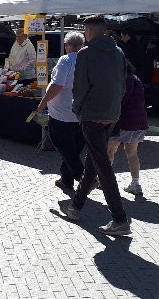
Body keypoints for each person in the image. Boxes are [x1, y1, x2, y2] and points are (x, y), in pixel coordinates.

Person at [59, 15, 131, 236]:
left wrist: (77, 109)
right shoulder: (118, 52)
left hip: (92, 114)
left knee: (102, 166)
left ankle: (119, 218)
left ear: (89, 31)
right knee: (94, 159)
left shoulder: (86, 54)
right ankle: (76, 206)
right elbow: (122, 85)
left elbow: (80, 88)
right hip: (112, 113)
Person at [37, 32, 86, 193]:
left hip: (63, 112)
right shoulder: (88, 60)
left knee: (63, 145)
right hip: (82, 112)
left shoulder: (66, 60)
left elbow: (56, 86)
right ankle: (66, 180)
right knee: (74, 147)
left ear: (68, 46)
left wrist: (43, 102)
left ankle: (84, 178)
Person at [108, 62, 148, 197]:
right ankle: (136, 184)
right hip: (139, 123)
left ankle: (104, 181)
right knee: (132, 154)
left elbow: (119, 102)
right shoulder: (137, 80)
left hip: (123, 123)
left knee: (110, 150)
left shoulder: (124, 82)